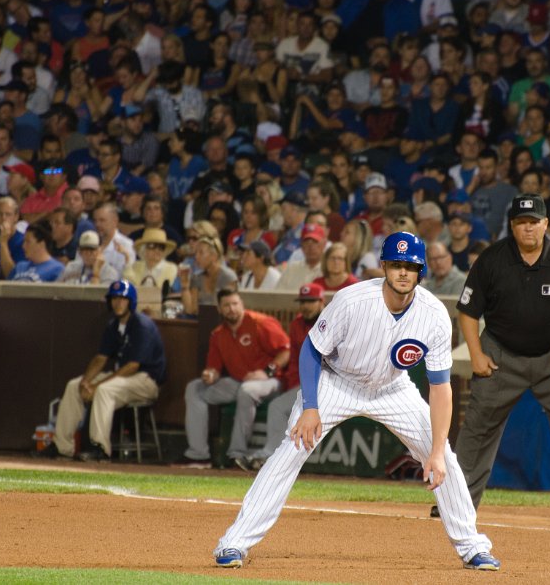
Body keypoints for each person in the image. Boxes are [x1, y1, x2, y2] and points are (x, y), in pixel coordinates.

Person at [212, 232, 500, 571]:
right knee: (291, 449)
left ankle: (472, 546)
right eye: (396, 265)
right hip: (337, 382)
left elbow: (440, 387)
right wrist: (311, 407)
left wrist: (436, 450)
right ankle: (234, 542)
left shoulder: (434, 315)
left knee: (444, 458)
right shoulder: (352, 300)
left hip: (393, 389)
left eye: (410, 266)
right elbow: (311, 350)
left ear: (420, 271)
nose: (403, 272)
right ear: (384, 266)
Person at [445, 194, 550, 524]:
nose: (528, 228)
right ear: (512, 226)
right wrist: (476, 354)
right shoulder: (492, 259)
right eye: (521, 223)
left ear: (545, 224)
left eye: (534, 222)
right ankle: (455, 502)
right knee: (477, 425)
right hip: (501, 353)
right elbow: (468, 312)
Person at [34, 281, 166, 461]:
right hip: (124, 378)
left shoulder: (142, 325)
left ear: (131, 301)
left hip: (147, 381)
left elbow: (133, 366)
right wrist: (86, 383)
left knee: (104, 390)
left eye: (123, 299)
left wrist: (96, 386)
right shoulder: (113, 325)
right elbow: (100, 358)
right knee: (74, 386)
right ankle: (62, 447)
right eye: (114, 299)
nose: (118, 303)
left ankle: (100, 449)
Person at [177, 289, 289, 469]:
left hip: (271, 381)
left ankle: (236, 454)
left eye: (235, 304)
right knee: (195, 388)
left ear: (242, 305)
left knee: (247, 390)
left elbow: (286, 351)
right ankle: (198, 455)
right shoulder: (218, 334)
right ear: (220, 309)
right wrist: (210, 374)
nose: (232, 309)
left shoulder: (260, 323)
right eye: (227, 305)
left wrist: (267, 371)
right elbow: (214, 368)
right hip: (240, 381)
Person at [249, 283, 326, 470]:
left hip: (327, 383)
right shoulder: (296, 324)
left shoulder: (329, 321)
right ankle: (278, 458)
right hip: (304, 384)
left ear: (321, 302)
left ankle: (270, 456)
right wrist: (291, 383)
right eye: (303, 302)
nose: (306, 306)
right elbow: (294, 359)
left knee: (278, 407)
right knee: (281, 405)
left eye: (311, 301)